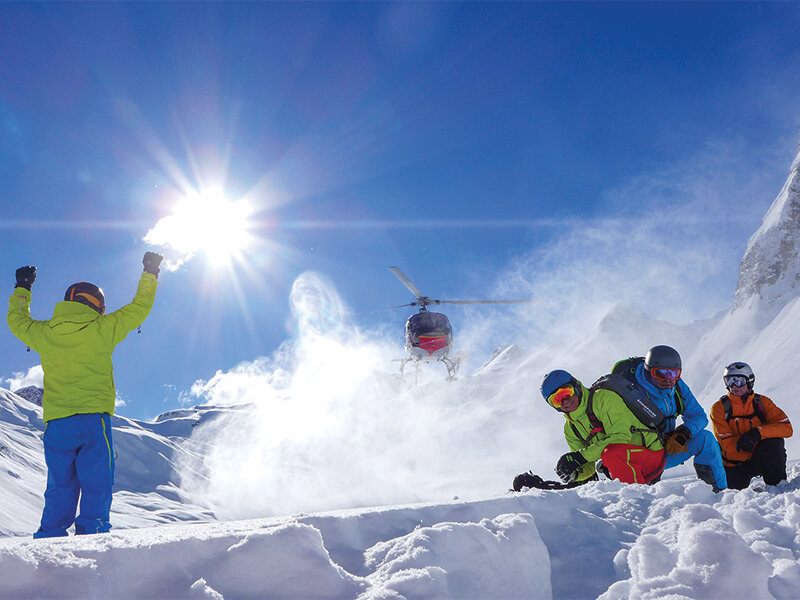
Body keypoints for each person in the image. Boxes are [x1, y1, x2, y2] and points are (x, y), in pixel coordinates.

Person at [7, 252, 162, 538]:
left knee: (60, 486)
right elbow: (140, 307)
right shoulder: (104, 327)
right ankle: (92, 538)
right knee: (97, 483)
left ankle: (49, 539)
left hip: (57, 424)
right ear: (98, 306)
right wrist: (150, 273)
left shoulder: (44, 333)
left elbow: (16, 321)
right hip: (93, 421)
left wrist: (23, 289)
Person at [513, 369, 666, 491]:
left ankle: (636, 499)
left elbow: (620, 437)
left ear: (576, 387)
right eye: (557, 400)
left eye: (566, 393)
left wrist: (579, 457)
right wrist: (574, 472)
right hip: (624, 462)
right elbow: (588, 467)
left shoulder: (603, 398)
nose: (565, 402)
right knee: (608, 458)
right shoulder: (570, 428)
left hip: (651, 454)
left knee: (612, 454)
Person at [615, 345, 727, 491]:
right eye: (660, 373)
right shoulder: (630, 392)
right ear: (649, 371)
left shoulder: (678, 387)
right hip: (639, 456)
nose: (668, 379)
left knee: (706, 439)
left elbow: (699, 416)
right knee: (642, 497)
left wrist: (683, 433)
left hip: (669, 448)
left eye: (674, 374)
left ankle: (717, 493)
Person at [710, 362, 793, 489]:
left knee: (774, 442)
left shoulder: (762, 403)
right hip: (734, 464)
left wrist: (757, 433)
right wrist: (743, 442)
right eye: (729, 381)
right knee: (731, 499)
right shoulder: (719, 408)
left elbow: (786, 429)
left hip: (758, 458)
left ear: (749, 382)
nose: (733, 386)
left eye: (738, 381)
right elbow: (726, 444)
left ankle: (777, 488)